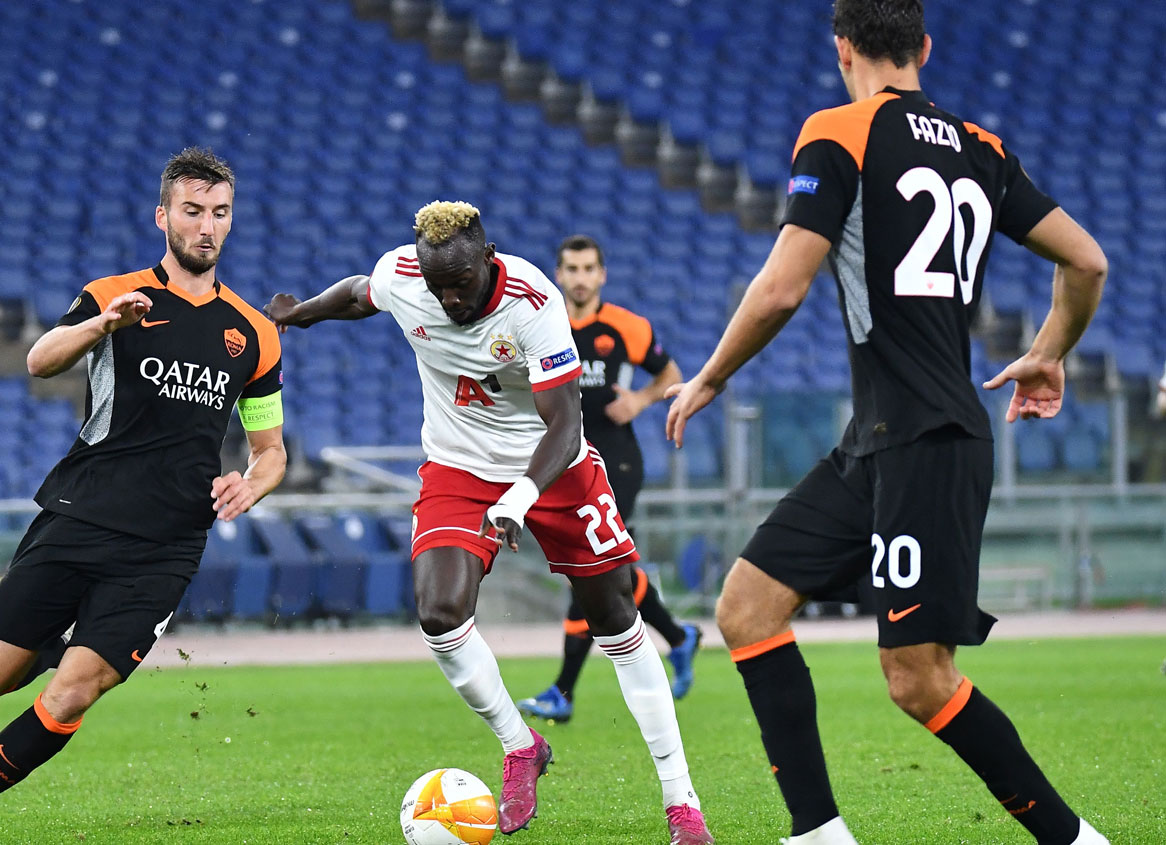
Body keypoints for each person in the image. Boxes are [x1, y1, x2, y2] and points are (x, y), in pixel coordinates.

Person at [665, 2, 1110, 843]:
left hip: (924, 439)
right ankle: (817, 833)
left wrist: (711, 377)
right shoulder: (983, 148)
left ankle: (1074, 838)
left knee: (920, 679)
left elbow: (783, 285)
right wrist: (1051, 349)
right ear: (924, 49)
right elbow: (1086, 260)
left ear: (842, 48)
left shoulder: (839, 130)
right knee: (747, 605)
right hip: (881, 439)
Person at [268, 202, 713, 844]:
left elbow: (566, 424)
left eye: (461, 283)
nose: (448, 299)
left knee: (616, 615)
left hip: (552, 465)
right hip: (458, 466)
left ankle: (682, 805)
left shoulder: (534, 303)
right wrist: (301, 312)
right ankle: (520, 745)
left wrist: (523, 495)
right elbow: (362, 294)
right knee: (440, 614)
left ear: (489, 257)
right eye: (436, 285)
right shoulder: (408, 276)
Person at [0, 148, 288, 844]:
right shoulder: (111, 291)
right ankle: (63, 631)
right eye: (193, 211)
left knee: (75, 689)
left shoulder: (255, 334)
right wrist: (100, 326)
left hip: (166, 544)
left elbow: (270, 452)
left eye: (220, 213)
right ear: (163, 216)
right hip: (80, 514)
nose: (206, 226)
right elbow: (40, 357)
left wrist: (252, 483)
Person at [518, 235, 700, 725]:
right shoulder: (539, 324)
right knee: (603, 571)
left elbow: (673, 375)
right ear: (558, 274)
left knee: (588, 570)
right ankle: (680, 638)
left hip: (615, 461)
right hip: (564, 462)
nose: (579, 277)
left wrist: (639, 401)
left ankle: (563, 691)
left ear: (602, 275)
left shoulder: (626, 327)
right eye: (571, 268)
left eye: (588, 268)